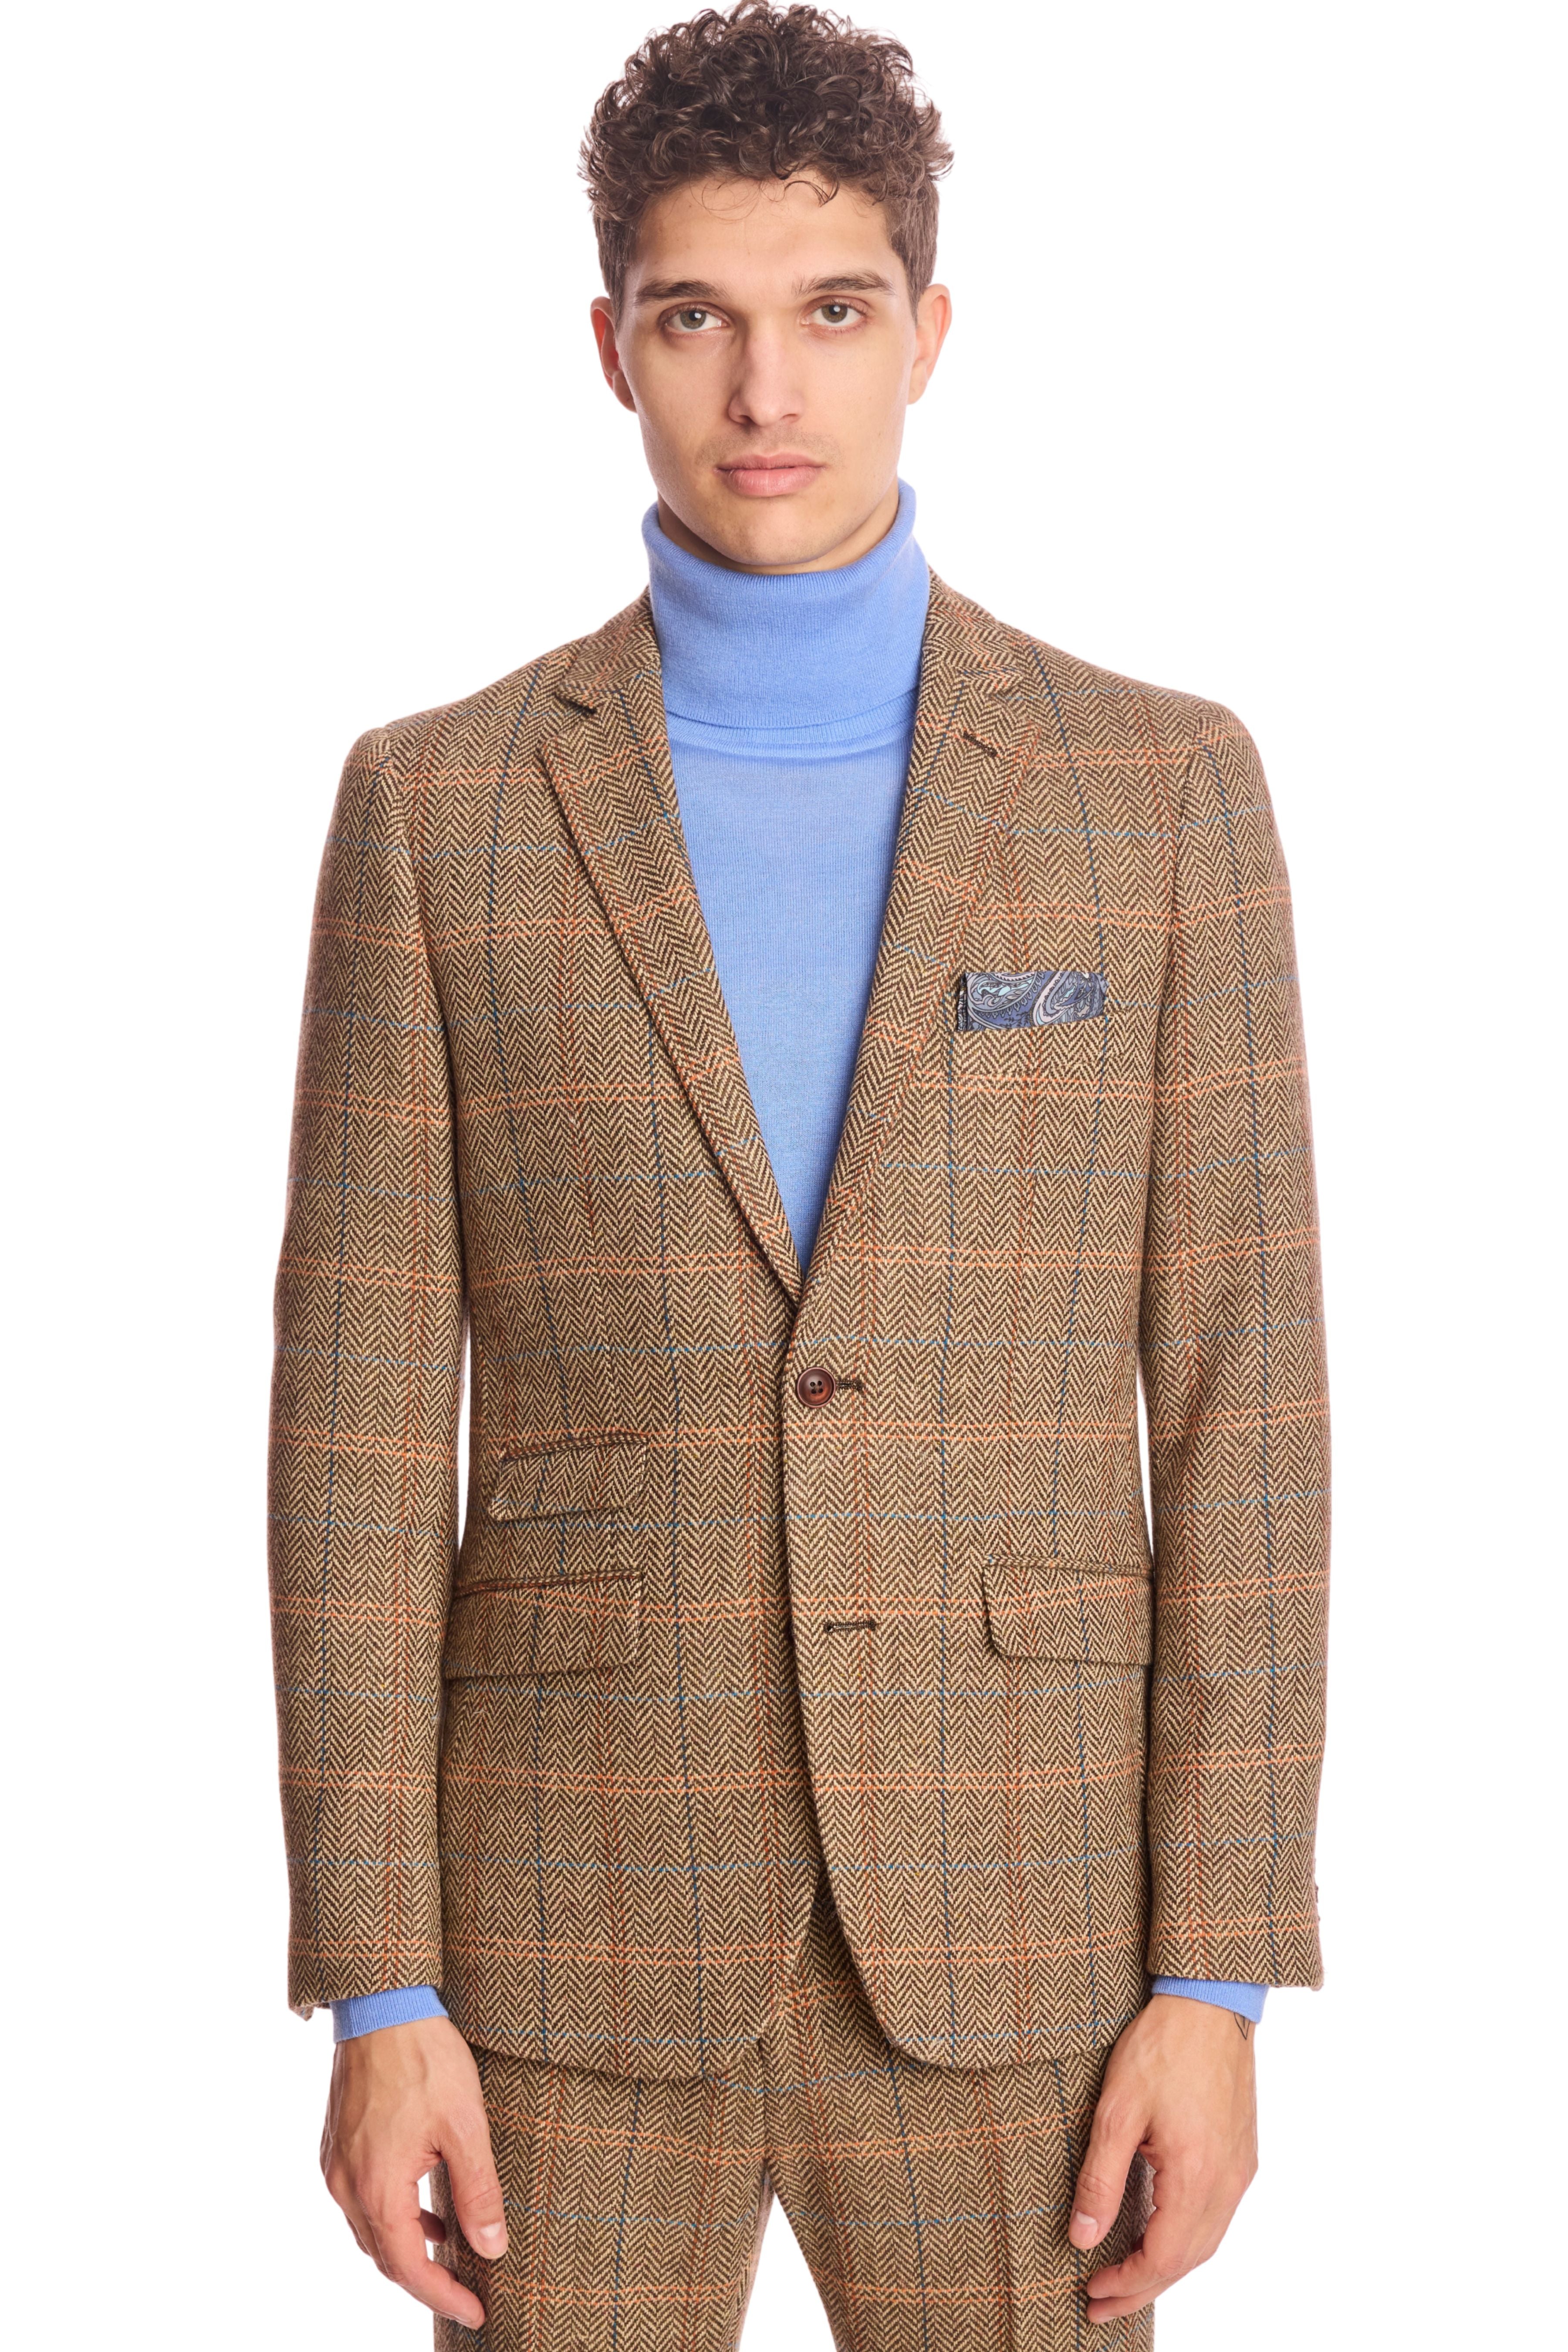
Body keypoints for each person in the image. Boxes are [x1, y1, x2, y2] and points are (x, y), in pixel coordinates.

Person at [267, 6, 1330, 2344]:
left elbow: (1248, 1403)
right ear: (611, 347)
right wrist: (377, 1981)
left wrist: (1221, 1970)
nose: (769, 389)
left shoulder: (1158, 793)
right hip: (558, 1948)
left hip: (1025, 1937)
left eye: (833, 310)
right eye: (698, 319)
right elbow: (354, 1436)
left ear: (930, 333)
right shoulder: (439, 811)